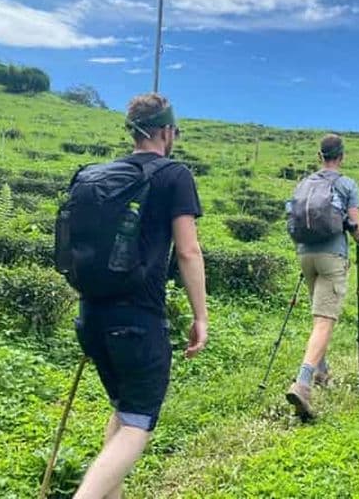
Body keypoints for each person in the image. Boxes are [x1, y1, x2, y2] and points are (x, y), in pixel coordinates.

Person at [73, 93, 208, 498]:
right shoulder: (174, 175)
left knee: (124, 410)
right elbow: (188, 251)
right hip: (138, 322)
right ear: (166, 131)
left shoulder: (98, 175)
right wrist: (200, 316)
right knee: (137, 424)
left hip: (91, 317)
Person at [285, 134, 359, 421]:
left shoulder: (304, 183)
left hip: (305, 255)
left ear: (320, 156)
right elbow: (355, 226)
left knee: (319, 316)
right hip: (332, 256)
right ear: (341, 156)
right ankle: (303, 383)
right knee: (324, 320)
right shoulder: (346, 184)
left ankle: (321, 372)